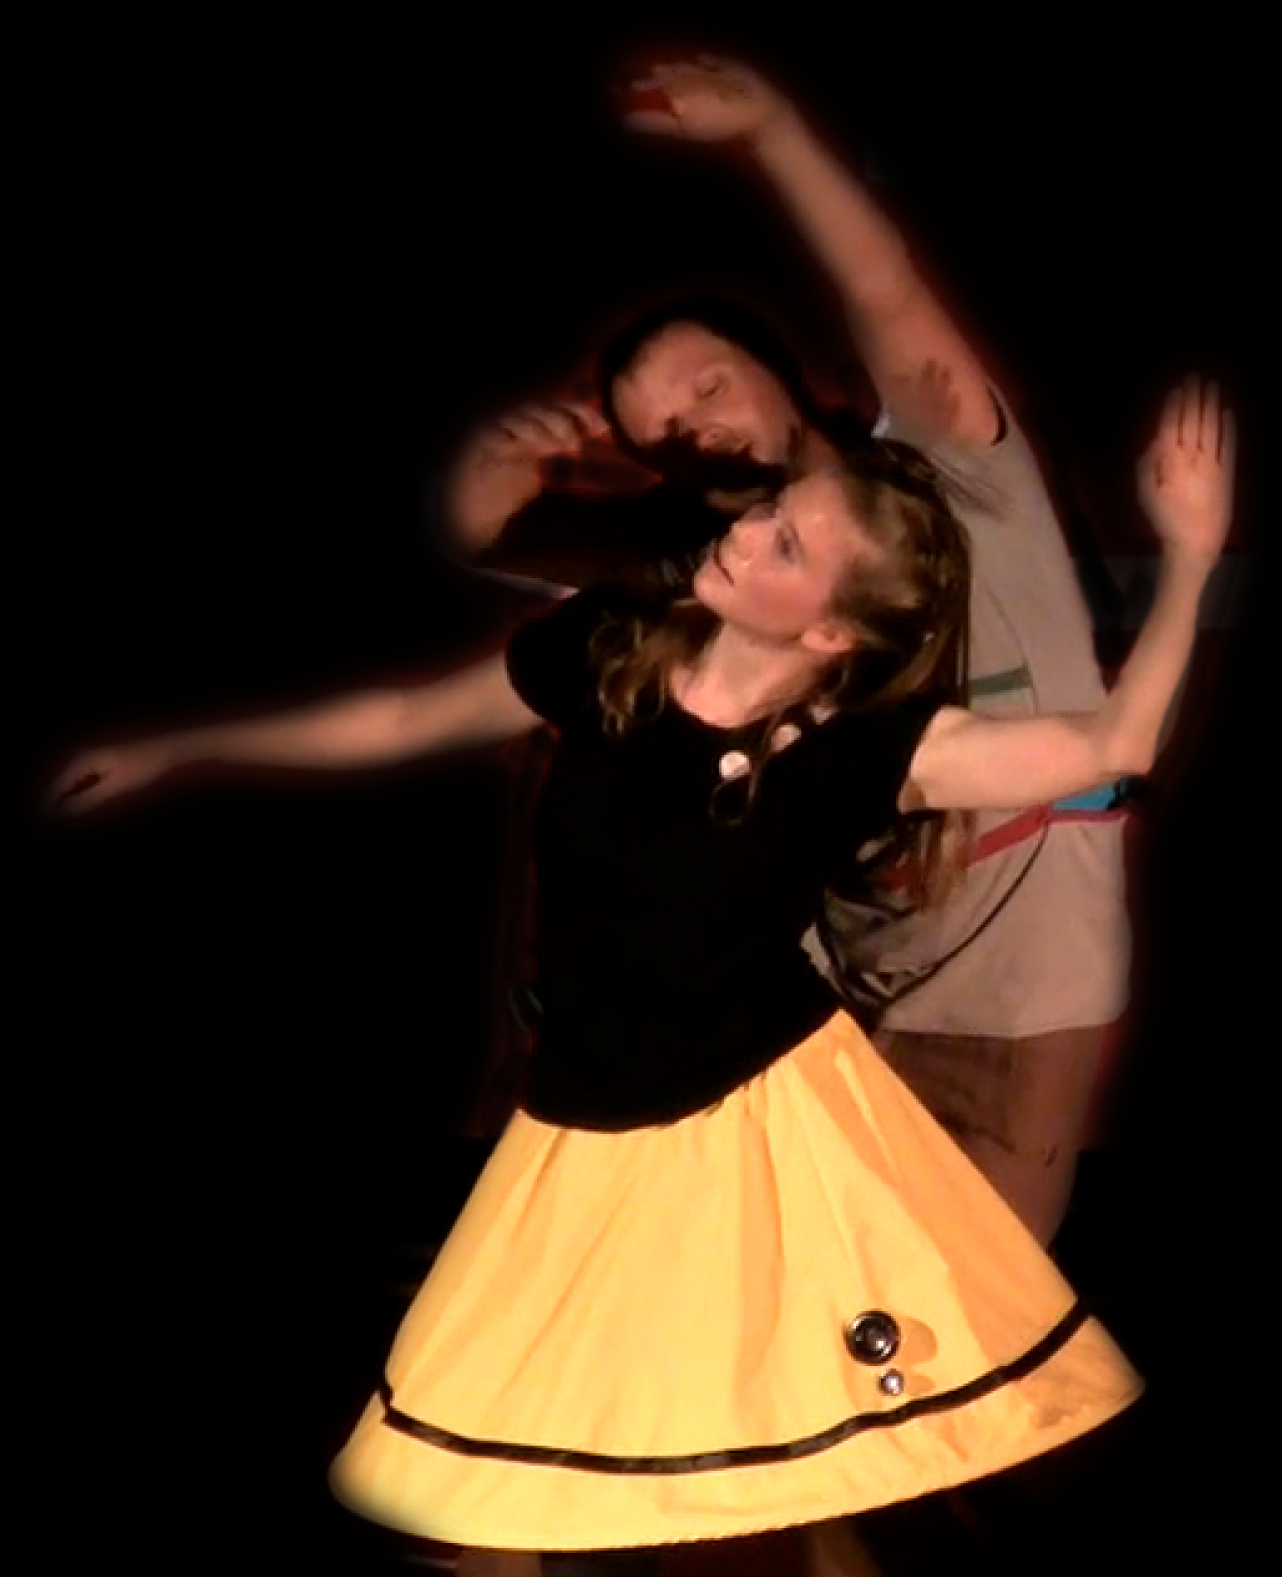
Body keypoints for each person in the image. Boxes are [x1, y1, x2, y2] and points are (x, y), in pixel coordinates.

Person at [48, 377, 1233, 1572]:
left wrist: (1188, 553)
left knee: (780, 1477)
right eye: (769, 512)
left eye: (785, 546)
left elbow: (1112, 744)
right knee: (485, 1480)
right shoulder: (609, 648)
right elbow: (404, 717)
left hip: (757, 1139)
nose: (745, 534)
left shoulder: (862, 748)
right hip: (576, 1129)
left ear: (830, 631)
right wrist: (179, 743)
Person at [445, 55, 1139, 1250]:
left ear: (783, 374)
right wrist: (485, 487)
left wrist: (772, 130)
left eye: (711, 385)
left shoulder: (953, 477)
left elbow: (885, 290)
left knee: (964, 1316)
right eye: (666, 432)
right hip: (829, 1000)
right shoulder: (717, 578)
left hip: (1014, 994)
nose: (699, 428)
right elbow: (501, 549)